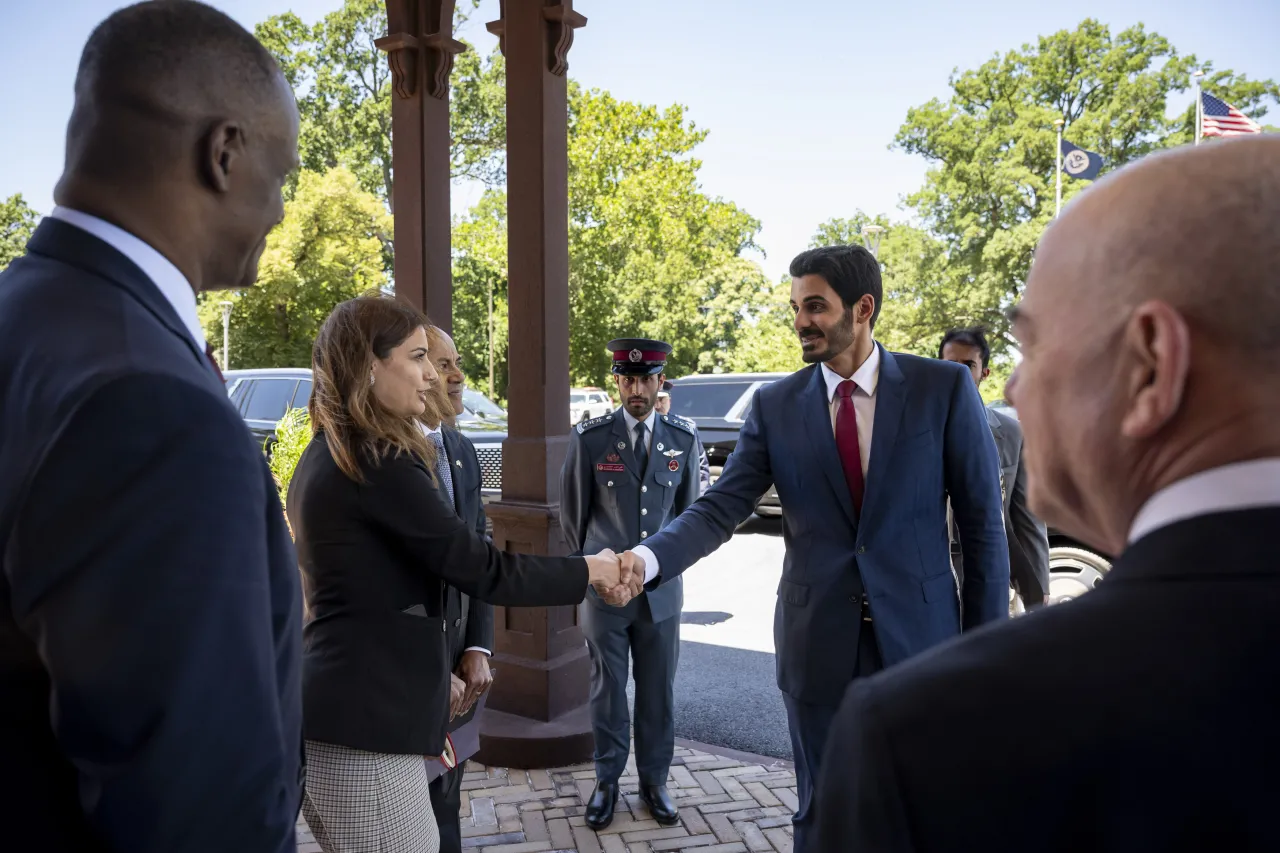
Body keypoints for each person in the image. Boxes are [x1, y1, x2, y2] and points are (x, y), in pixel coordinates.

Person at [811, 136, 1280, 852]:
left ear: (1152, 365)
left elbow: (996, 525)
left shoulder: (923, 737)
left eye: (1032, 347)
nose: (1011, 389)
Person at [0, 3, 304, 851]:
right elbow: (196, 813)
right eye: (282, 175)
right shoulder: (150, 404)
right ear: (224, 152)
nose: (280, 211)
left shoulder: (25, 320)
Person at [619, 245, 1010, 852]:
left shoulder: (944, 389)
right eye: (797, 306)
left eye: (816, 307)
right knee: (823, 812)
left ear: (863, 308)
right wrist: (647, 560)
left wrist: (984, 656)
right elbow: (721, 508)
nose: (801, 320)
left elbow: (984, 530)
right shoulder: (776, 406)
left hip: (921, 642)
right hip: (816, 645)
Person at [290, 294, 630, 853]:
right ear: (369, 364)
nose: (432, 376)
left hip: (356, 723)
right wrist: (592, 569)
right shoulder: (377, 459)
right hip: (368, 735)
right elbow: (481, 568)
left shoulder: (334, 449)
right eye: (418, 356)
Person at [560, 339, 702, 830]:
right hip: (604, 596)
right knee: (607, 689)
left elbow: (690, 523)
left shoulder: (683, 438)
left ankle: (654, 780)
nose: (636, 388)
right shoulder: (591, 439)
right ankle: (606, 781)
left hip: (661, 596)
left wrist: (664, 569)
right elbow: (573, 521)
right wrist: (585, 580)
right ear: (617, 381)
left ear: (662, 381)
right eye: (628, 379)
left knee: (658, 691)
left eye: (646, 379)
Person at [421, 326, 493, 853]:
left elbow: (481, 558)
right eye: (440, 364)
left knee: (447, 805)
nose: (456, 376)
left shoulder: (462, 450)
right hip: (411, 677)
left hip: (462, 676)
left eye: (456, 362)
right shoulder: (379, 458)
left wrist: (477, 646)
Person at [939, 327, 1050, 609]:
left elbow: (1027, 517)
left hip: (989, 569)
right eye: (951, 366)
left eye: (968, 366)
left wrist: (1039, 586)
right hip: (930, 573)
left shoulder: (1012, 434)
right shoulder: (915, 429)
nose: (958, 374)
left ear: (983, 372)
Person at [657, 379, 711, 494]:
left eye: (661, 400)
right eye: (653, 400)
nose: (657, 405)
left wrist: (700, 504)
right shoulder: (637, 428)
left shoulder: (686, 429)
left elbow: (700, 470)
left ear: (669, 401)